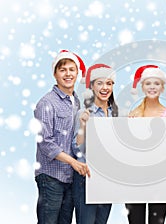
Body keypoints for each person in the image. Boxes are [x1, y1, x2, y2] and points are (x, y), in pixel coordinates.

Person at [34, 50, 90, 224]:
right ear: (55, 74)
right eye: (63, 70)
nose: (68, 74)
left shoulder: (76, 102)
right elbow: (45, 142)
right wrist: (73, 162)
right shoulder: (46, 103)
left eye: (72, 69)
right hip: (51, 177)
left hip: (70, 177)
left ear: (77, 73)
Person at [125, 65, 166, 224]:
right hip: (136, 178)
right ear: (142, 87)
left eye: (156, 83)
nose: (152, 87)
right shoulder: (133, 115)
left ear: (162, 88)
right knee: (135, 221)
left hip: (161, 179)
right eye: (148, 83)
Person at [71, 63, 118, 224]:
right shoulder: (84, 113)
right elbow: (77, 150)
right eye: (100, 83)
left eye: (109, 83)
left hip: (107, 177)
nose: (105, 88)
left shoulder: (116, 115)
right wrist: (83, 126)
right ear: (91, 86)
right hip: (86, 177)